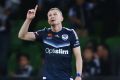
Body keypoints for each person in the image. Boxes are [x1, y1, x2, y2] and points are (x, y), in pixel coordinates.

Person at [18, 5, 83, 80]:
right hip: (48, 78)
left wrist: (78, 75)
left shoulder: (70, 33)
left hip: (66, 77)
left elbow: (78, 57)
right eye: (50, 15)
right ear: (48, 20)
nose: (52, 16)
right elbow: (22, 36)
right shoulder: (44, 33)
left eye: (55, 14)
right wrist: (28, 19)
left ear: (62, 18)